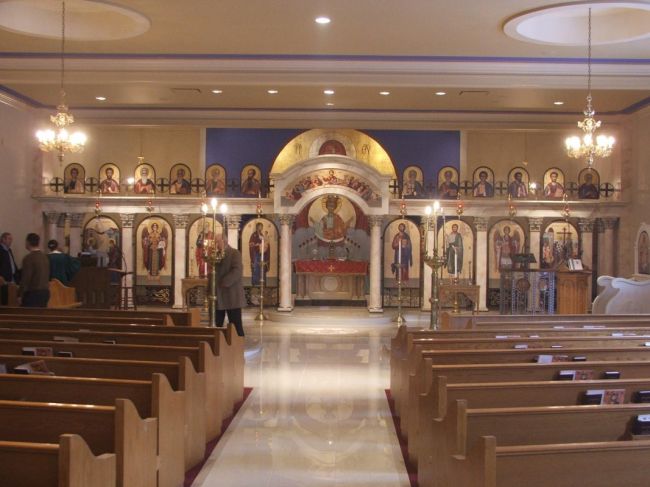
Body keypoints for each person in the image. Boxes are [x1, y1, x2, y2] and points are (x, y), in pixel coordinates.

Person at [213, 234, 246, 337]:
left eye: (217, 242)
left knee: (236, 324)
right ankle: (218, 344)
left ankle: (239, 345)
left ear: (224, 241)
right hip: (218, 295)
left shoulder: (234, 253)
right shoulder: (215, 254)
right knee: (217, 323)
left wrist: (224, 282)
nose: (215, 244)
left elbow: (237, 271)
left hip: (232, 294)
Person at [20, 233, 50, 307]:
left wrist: (20, 294)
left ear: (28, 242)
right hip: (45, 292)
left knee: (28, 317)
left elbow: (26, 278)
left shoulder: (28, 258)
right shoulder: (45, 257)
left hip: (33, 293)